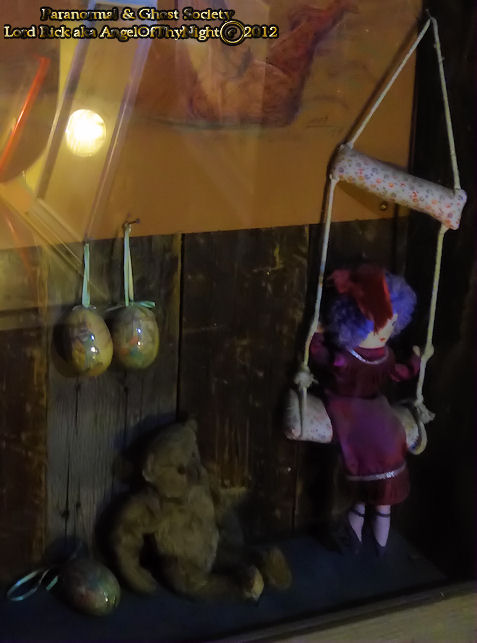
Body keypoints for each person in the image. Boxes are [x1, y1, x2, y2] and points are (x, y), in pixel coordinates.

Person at [310, 263, 420, 554]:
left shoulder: (383, 355)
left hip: (373, 405)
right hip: (349, 407)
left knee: (390, 436)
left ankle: (372, 512)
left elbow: (397, 373)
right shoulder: (347, 358)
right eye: (376, 325)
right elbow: (322, 358)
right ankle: (368, 513)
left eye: (391, 324)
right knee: (372, 443)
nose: (385, 332)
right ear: (354, 324)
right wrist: (316, 337)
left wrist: (416, 362)